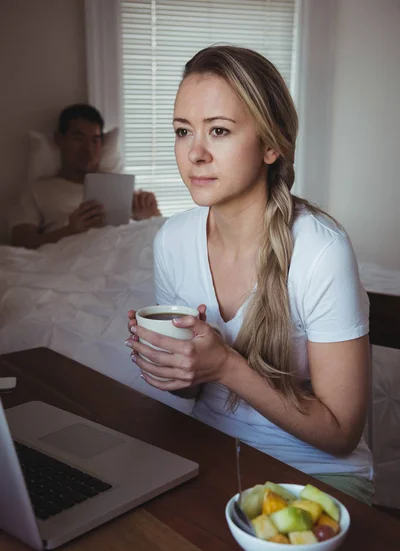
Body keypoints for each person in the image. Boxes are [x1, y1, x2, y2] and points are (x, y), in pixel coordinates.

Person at [125, 46, 373, 504]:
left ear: (271, 145)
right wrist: (175, 368)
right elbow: (191, 395)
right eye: (183, 131)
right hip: (208, 452)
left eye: (218, 130)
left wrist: (225, 365)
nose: (195, 153)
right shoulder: (172, 241)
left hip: (314, 473)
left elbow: (341, 433)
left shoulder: (321, 250)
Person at [10, 104, 161, 249]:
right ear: (60, 139)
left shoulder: (118, 187)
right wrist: (69, 230)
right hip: (71, 258)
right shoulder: (38, 191)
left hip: (123, 252)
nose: (87, 149)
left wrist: (150, 217)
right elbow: (21, 241)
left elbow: (158, 235)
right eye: (78, 138)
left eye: (95, 140)